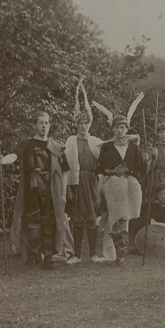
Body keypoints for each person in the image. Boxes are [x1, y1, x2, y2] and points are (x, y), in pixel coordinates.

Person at [0, 111, 72, 270]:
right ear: (34, 125)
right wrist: (3, 160)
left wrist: (63, 193)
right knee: (34, 224)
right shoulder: (27, 145)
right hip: (33, 189)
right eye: (40, 123)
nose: (44, 126)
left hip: (52, 190)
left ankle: (48, 259)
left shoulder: (56, 147)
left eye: (46, 123)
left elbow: (65, 171)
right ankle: (36, 256)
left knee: (50, 224)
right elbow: (15, 156)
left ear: (49, 125)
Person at [94, 93, 150, 268]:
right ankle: (119, 253)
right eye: (117, 127)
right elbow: (100, 169)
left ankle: (122, 256)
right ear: (113, 129)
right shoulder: (107, 148)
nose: (120, 130)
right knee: (114, 218)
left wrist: (150, 159)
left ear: (127, 128)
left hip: (129, 185)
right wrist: (108, 177)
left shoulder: (133, 147)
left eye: (123, 127)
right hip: (112, 185)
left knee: (125, 217)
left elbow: (142, 169)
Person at [64, 80, 106, 264]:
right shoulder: (71, 141)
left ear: (90, 124)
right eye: (80, 123)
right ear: (76, 124)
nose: (83, 126)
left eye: (86, 123)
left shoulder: (97, 141)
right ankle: (76, 255)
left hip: (92, 181)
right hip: (75, 181)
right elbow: (66, 164)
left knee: (91, 218)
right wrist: (68, 186)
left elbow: (105, 162)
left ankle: (94, 254)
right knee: (77, 218)